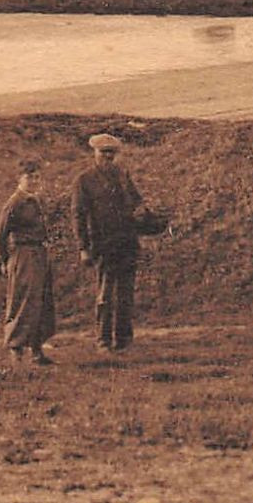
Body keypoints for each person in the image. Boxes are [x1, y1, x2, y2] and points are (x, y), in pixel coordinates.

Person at [73, 133, 144, 353]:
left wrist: (142, 216)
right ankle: (103, 340)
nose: (107, 157)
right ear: (94, 153)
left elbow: (136, 202)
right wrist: (83, 248)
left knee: (126, 294)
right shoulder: (84, 180)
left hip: (126, 242)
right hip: (103, 244)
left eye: (111, 153)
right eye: (103, 152)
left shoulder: (123, 175)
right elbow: (78, 215)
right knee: (105, 294)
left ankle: (124, 339)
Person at [0, 159, 57, 365]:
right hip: (23, 255)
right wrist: (6, 260)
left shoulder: (36, 200)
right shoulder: (15, 203)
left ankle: (37, 351)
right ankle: (16, 349)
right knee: (23, 301)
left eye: (37, 177)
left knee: (41, 300)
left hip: (39, 253)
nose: (33, 181)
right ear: (19, 179)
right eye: (29, 177)